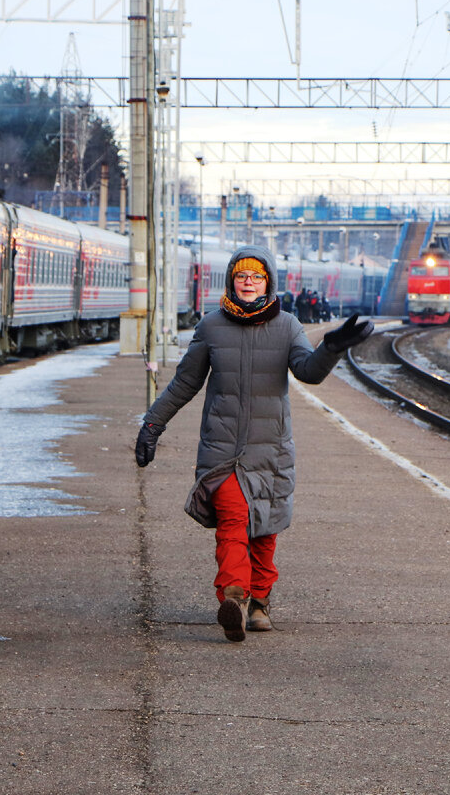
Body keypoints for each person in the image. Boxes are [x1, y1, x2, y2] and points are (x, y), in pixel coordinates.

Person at [134, 245, 373, 643]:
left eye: (256, 277)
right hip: (222, 452)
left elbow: (308, 373)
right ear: (232, 280)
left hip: (271, 451)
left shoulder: (288, 327)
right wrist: (152, 424)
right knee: (232, 524)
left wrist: (331, 348)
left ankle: (260, 602)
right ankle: (234, 597)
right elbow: (185, 383)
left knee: (264, 533)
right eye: (242, 276)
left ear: (268, 282)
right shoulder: (211, 327)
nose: (249, 282)